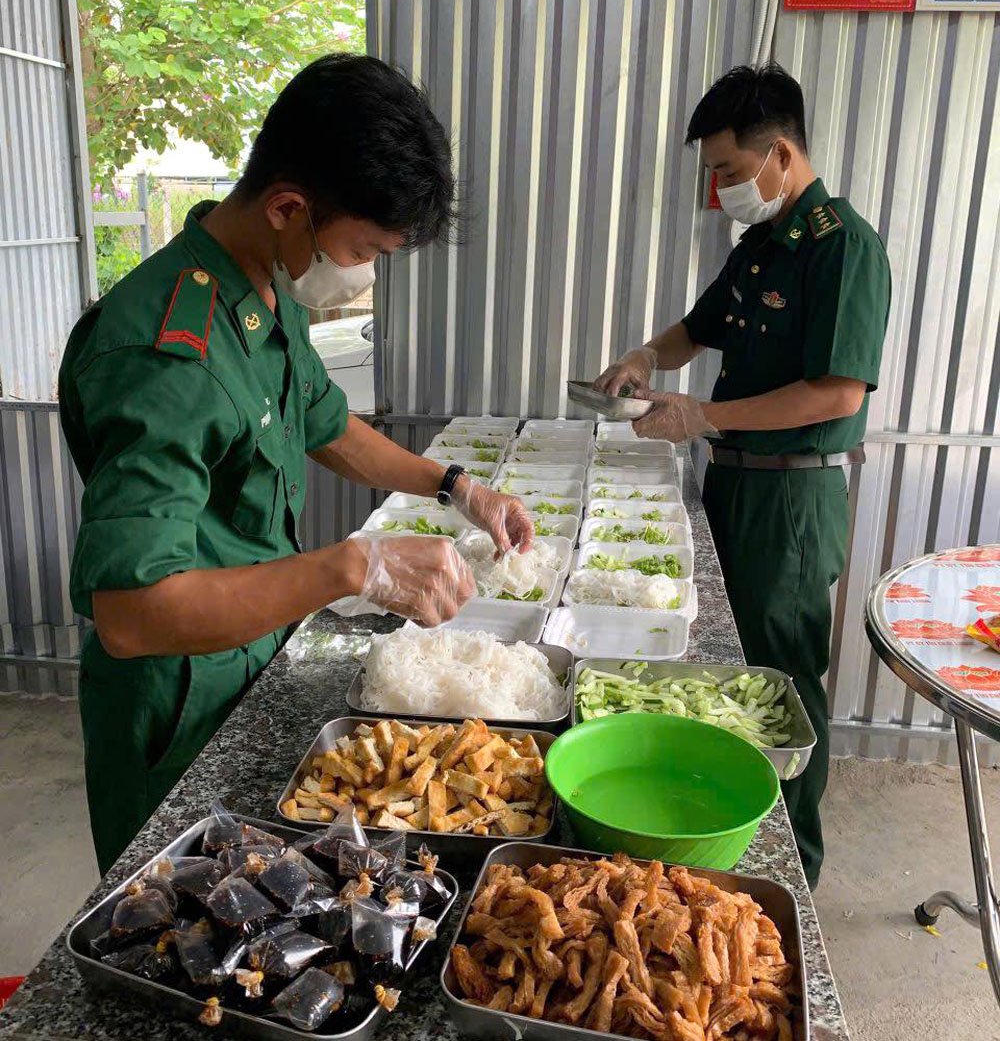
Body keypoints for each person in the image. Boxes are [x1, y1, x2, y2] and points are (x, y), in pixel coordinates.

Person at [59, 54, 533, 874]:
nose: (365, 274)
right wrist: (355, 566)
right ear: (287, 206)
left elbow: (327, 424)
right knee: (180, 917)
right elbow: (130, 613)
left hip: (252, 657)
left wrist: (457, 487)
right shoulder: (167, 351)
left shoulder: (264, 287)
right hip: (176, 702)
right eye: (365, 249)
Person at [594, 63, 891, 889]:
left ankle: (793, 871)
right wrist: (645, 356)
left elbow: (837, 391)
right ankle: (726, 834)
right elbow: (698, 329)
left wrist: (702, 414)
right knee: (727, 673)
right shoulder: (761, 244)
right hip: (733, 481)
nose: (720, 187)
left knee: (780, 686)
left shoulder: (842, 247)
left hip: (791, 497)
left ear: (781, 155)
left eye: (728, 169)